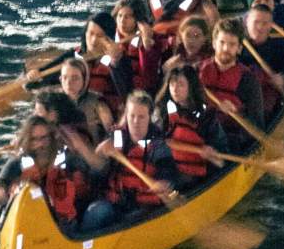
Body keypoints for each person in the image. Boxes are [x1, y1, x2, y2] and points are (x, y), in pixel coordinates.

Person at [81, 91, 178, 232]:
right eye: (132, 116)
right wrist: (99, 158)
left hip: (142, 207)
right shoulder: (116, 137)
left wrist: (165, 182)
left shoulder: (158, 145)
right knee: (96, 211)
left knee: (131, 219)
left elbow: (168, 170)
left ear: (150, 117)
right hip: (115, 202)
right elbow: (99, 174)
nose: (135, 122)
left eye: (141, 117)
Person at [0, 116, 105, 232]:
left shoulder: (65, 158)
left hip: (66, 227)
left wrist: (79, 145)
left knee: (102, 209)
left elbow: (98, 170)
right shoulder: (18, 163)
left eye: (44, 138)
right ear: (27, 140)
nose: (40, 144)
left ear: (51, 138)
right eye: (34, 139)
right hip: (32, 229)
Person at [198, 18, 264, 150]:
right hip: (200, 130)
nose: (225, 48)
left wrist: (237, 112)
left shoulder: (248, 80)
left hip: (231, 137)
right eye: (222, 42)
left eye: (232, 44)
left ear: (239, 49)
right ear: (213, 43)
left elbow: (257, 124)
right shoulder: (197, 71)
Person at [158, 65, 228, 189]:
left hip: (197, 176)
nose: (174, 89)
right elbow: (163, 142)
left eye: (180, 84)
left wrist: (214, 156)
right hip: (171, 169)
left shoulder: (206, 117)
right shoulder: (165, 111)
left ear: (191, 87)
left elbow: (222, 157)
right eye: (172, 83)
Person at [239, 3, 284, 121]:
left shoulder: (278, 48)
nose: (260, 27)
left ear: (270, 26)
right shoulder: (237, 46)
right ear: (247, 23)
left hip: (266, 100)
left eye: (265, 23)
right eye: (256, 22)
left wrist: (281, 81)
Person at [112, 0, 162, 94]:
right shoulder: (109, 38)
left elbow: (149, 76)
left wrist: (147, 42)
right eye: (120, 16)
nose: (122, 21)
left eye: (128, 17)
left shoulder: (151, 39)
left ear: (138, 19)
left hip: (142, 93)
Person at [58, 57, 113, 144]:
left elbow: (111, 133)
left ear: (85, 80)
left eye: (75, 78)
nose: (68, 83)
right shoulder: (55, 102)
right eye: (65, 77)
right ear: (60, 80)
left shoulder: (97, 103)